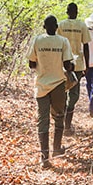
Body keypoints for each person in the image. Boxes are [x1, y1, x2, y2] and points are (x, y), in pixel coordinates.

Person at [27, 15, 74, 169]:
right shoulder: (63, 41)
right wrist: (71, 67)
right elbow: (67, 65)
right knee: (59, 116)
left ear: (44, 26)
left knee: (43, 120)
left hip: (41, 85)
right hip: (58, 85)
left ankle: (44, 156)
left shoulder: (37, 40)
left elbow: (31, 64)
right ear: (56, 27)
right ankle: (57, 149)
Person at [57, 2, 91, 136]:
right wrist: (87, 64)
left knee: (64, 91)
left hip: (63, 63)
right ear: (76, 12)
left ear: (67, 11)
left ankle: (66, 121)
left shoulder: (61, 25)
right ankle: (67, 123)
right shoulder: (82, 25)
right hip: (76, 63)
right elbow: (86, 46)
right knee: (74, 93)